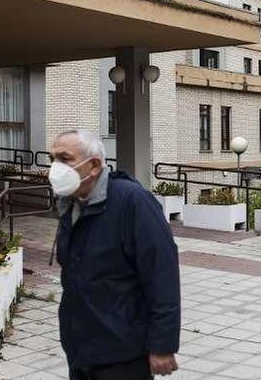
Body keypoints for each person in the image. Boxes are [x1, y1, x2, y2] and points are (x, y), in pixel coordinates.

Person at [49, 130, 180, 380]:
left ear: (95, 165)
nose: (55, 167)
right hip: (80, 348)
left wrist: (163, 345)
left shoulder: (133, 202)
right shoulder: (71, 202)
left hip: (123, 352)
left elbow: (161, 276)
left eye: (64, 159)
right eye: (52, 158)